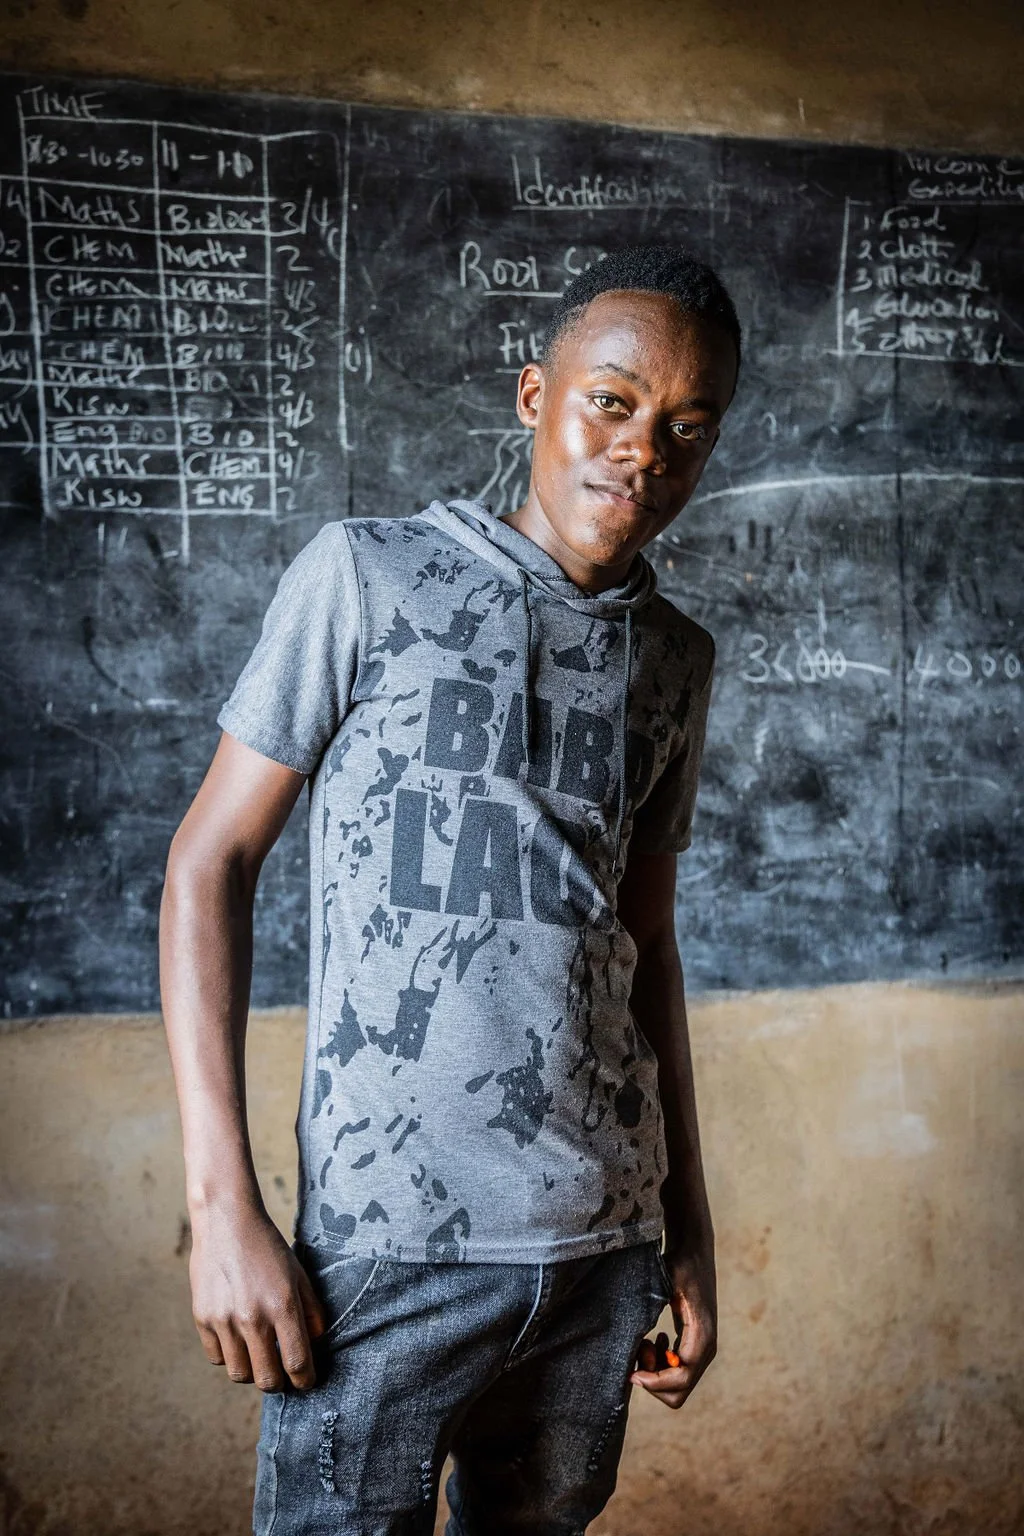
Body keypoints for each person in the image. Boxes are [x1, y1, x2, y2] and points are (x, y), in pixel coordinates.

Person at [159, 243, 741, 1535]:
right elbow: (211, 862)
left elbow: (646, 945)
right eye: (612, 401)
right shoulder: (369, 578)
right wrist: (222, 1206)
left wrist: (687, 1229)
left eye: (688, 428)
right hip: (389, 1249)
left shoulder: (673, 661)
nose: (644, 453)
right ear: (536, 398)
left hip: (602, 1253)